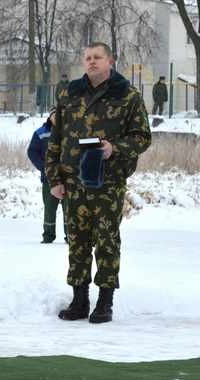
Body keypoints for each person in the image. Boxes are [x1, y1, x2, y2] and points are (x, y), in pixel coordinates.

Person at [46, 42, 151, 324]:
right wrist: (54, 178)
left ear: (111, 61)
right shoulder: (70, 93)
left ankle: (105, 302)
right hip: (74, 181)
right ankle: (79, 299)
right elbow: (55, 138)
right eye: (87, 57)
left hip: (108, 181)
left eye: (97, 57)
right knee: (77, 242)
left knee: (106, 241)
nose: (91, 62)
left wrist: (114, 148)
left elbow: (142, 136)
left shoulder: (127, 95)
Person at [26, 109, 66, 243]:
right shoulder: (41, 133)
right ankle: (48, 235)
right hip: (48, 178)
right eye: (54, 115)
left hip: (67, 178)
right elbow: (32, 151)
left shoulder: (69, 131)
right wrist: (43, 167)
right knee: (49, 208)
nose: (56, 117)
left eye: (58, 115)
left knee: (69, 209)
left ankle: (70, 236)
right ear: (50, 117)